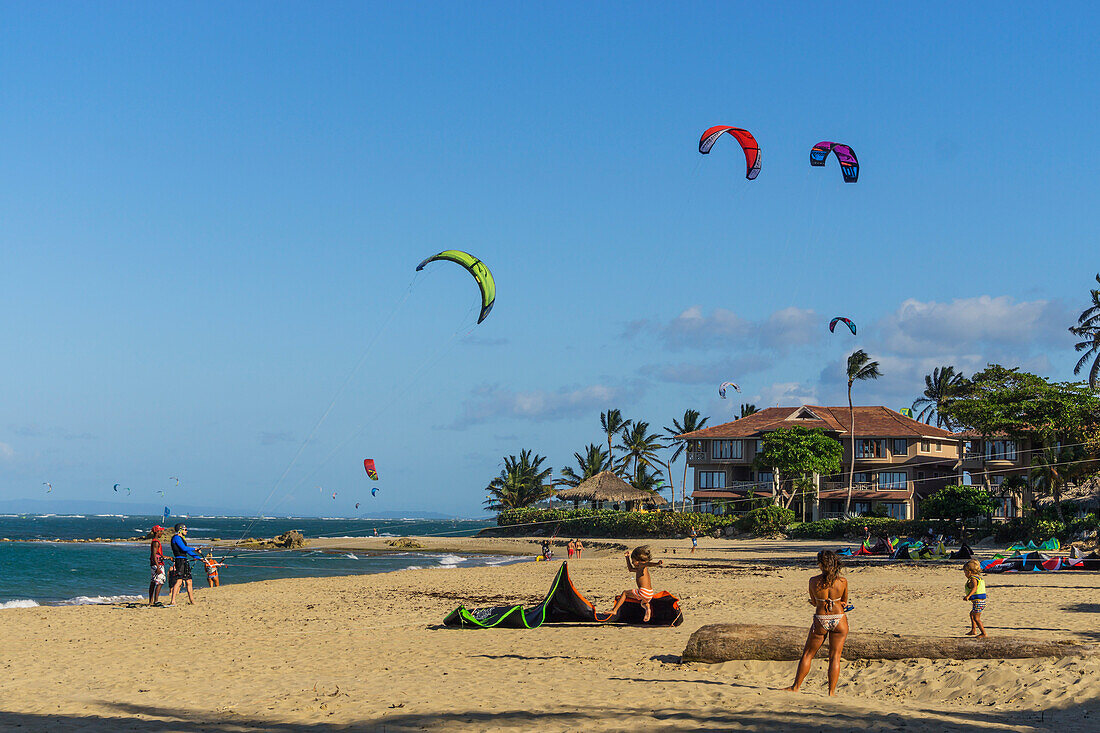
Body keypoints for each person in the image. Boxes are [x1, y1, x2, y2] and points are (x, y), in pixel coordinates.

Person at [784, 550, 849, 696]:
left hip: (821, 618)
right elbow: (844, 601)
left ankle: (796, 687)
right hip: (839, 618)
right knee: (835, 656)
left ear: (820, 565)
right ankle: (831, 692)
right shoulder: (842, 581)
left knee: (808, 654)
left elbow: (814, 602)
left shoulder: (813, 581)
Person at [607, 546, 663, 623]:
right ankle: (647, 608)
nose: (633, 563)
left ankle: (614, 610)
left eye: (633, 561)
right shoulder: (639, 569)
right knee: (643, 603)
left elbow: (648, 563)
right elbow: (630, 569)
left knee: (625, 593)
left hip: (643, 591)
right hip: (649, 593)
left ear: (638, 560)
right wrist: (627, 558)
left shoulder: (641, 565)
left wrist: (657, 563)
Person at [168, 524, 203, 606]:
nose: (186, 531)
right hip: (179, 561)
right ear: (180, 530)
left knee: (189, 581)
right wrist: (195, 548)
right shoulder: (176, 537)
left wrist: (200, 558)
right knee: (179, 581)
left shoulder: (182, 539)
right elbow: (184, 548)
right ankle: (172, 600)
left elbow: (188, 551)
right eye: (185, 529)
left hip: (184, 560)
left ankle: (192, 600)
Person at [963, 559, 987, 637]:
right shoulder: (978, 578)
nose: (965, 574)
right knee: (972, 614)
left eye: (965, 572)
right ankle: (973, 630)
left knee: (976, 618)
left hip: (978, 602)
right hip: (980, 602)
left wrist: (968, 596)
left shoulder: (973, 579)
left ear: (969, 571)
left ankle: (984, 633)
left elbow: (975, 588)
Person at [148, 525, 166, 606]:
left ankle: (151, 601)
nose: (161, 533)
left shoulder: (155, 541)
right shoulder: (155, 542)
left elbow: (156, 554)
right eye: (160, 531)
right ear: (157, 532)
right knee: (160, 581)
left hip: (154, 564)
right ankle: (155, 601)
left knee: (153, 582)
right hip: (157, 565)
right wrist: (158, 567)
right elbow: (154, 555)